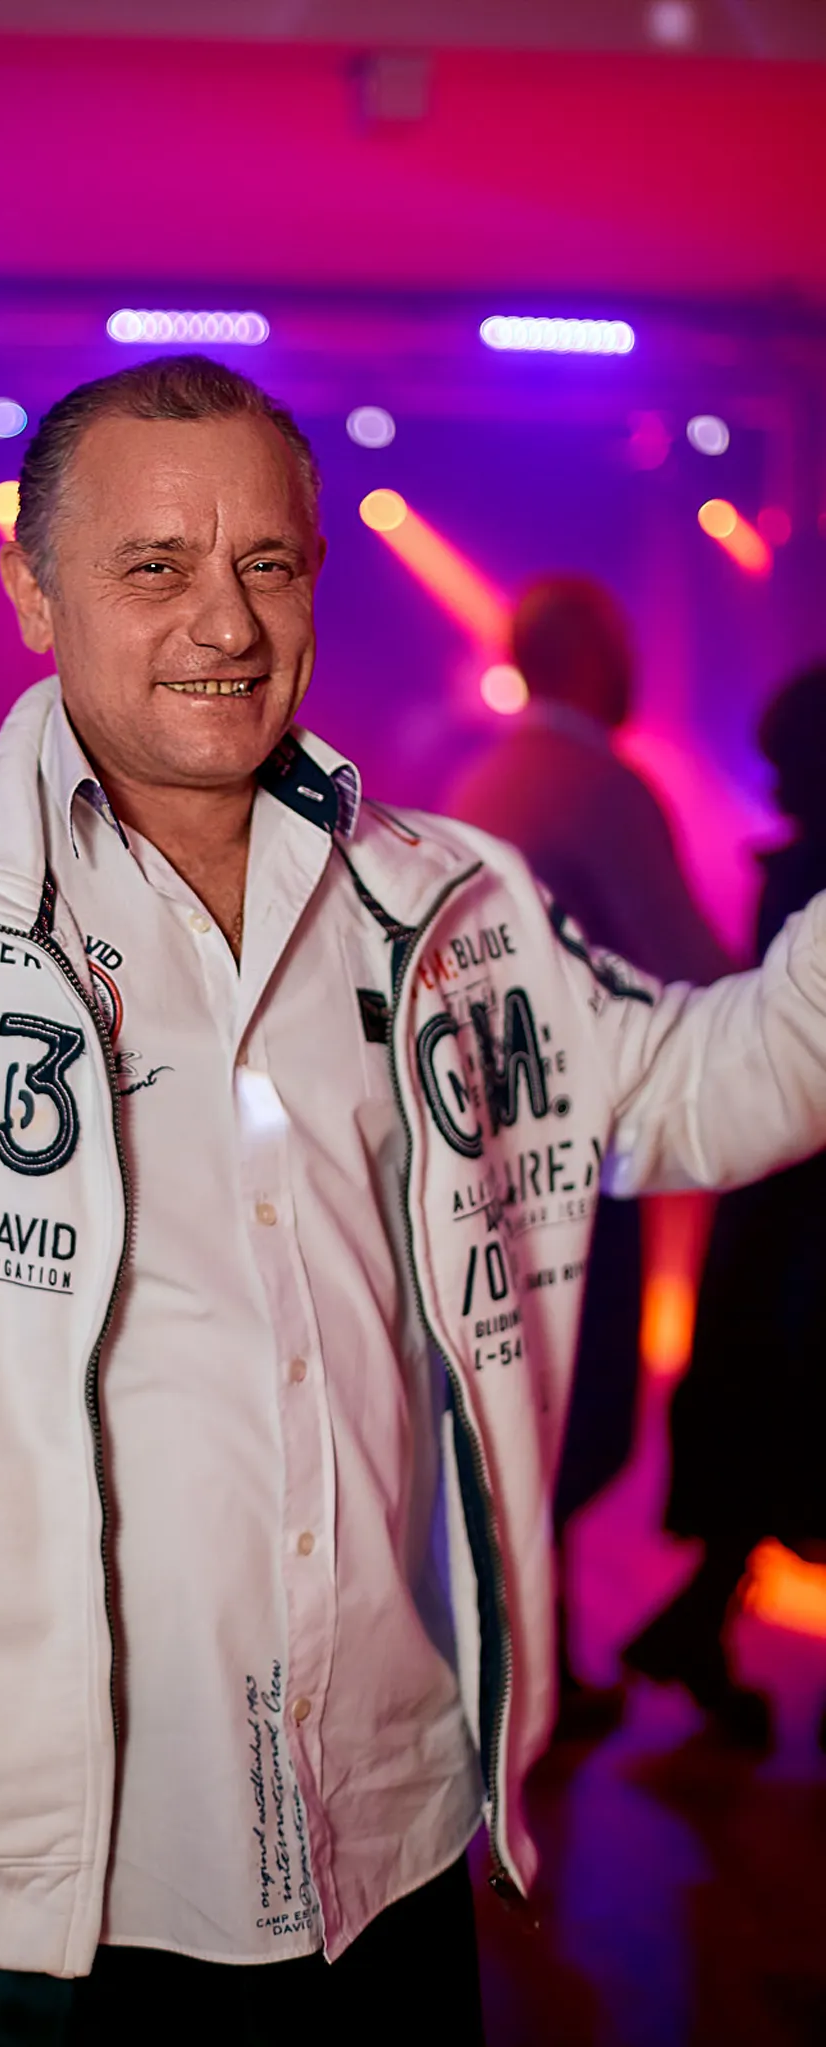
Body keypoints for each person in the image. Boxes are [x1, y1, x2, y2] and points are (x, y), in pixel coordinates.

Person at [0, 357, 826, 2046]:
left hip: (384, 1842)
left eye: (266, 564)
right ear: (34, 591)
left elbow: (705, 1082)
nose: (224, 622)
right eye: (154, 566)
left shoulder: (444, 901)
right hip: (18, 1885)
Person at [446, 578, 730, 1735]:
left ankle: (529, 1661)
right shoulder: (599, 785)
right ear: (587, 658)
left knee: (521, 1398)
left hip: (480, 1140)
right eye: (618, 644)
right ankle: (534, 1678)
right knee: (584, 1405)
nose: (634, 664)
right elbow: (687, 962)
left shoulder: (484, 780)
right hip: (570, 1142)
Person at [622, 662, 826, 1749]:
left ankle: (696, 1622)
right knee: (791, 1411)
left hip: (776, 1194)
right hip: (808, 1202)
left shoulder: (787, 870)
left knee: (764, 1410)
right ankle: (696, 1625)